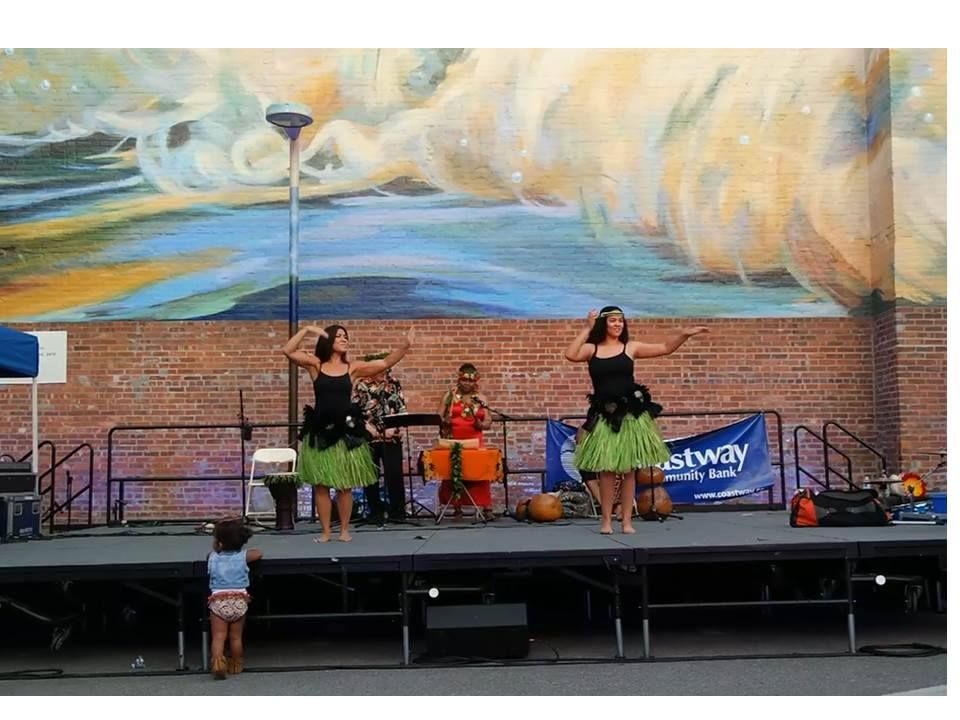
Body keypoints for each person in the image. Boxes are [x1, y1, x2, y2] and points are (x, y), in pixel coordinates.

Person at [564, 307, 708, 534]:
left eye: (620, 321)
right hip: (606, 416)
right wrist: (587, 328)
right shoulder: (592, 349)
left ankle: (627, 522)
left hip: (631, 416)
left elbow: (665, 348)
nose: (618, 325)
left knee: (630, 470)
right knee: (606, 470)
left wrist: (684, 334)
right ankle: (606, 522)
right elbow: (571, 354)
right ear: (604, 324)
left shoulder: (630, 347)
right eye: (613, 321)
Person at [282, 323, 414, 542]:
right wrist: (306, 330)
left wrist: (405, 346)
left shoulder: (353, 368)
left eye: (346, 336)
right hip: (321, 430)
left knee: (344, 484)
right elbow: (287, 350)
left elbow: (385, 362)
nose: (345, 339)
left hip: (346, 431)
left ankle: (344, 530)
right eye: (339, 336)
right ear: (328, 340)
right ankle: (325, 532)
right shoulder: (316, 365)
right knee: (321, 485)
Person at [353, 352, 408, 525]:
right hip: (371, 438)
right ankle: (375, 512)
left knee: (394, 474)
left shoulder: (394, 385)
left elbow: (401, 408)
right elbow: (355, 412)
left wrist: (396, 428)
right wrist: (368, 428)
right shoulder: (361, 385)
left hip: (391, 437)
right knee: (371, 476)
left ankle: (397, 512)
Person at [437, 363, 495, 520]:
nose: (467, 384)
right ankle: (457, 508)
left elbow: (488, 421)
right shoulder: (449, 396)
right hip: (453, 440)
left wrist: (481, 425)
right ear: (459, 379)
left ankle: (486, 507)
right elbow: (438, 417)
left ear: (475, 381)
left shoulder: (481, 398)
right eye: (464, 380)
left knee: (479, 474)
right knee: (453, 473)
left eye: (470, 381)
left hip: (474, 441)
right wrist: (445, 421)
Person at [207, 518, 262, 679]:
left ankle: (218, 663)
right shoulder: (244, 557)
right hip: (238, 601)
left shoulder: (212, 557)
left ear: (219, 542)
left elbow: (213, 552)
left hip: (218, 601)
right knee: (235, 637)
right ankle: (236, 663)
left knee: (218, 636)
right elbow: (258, 553)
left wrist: (216, 546)